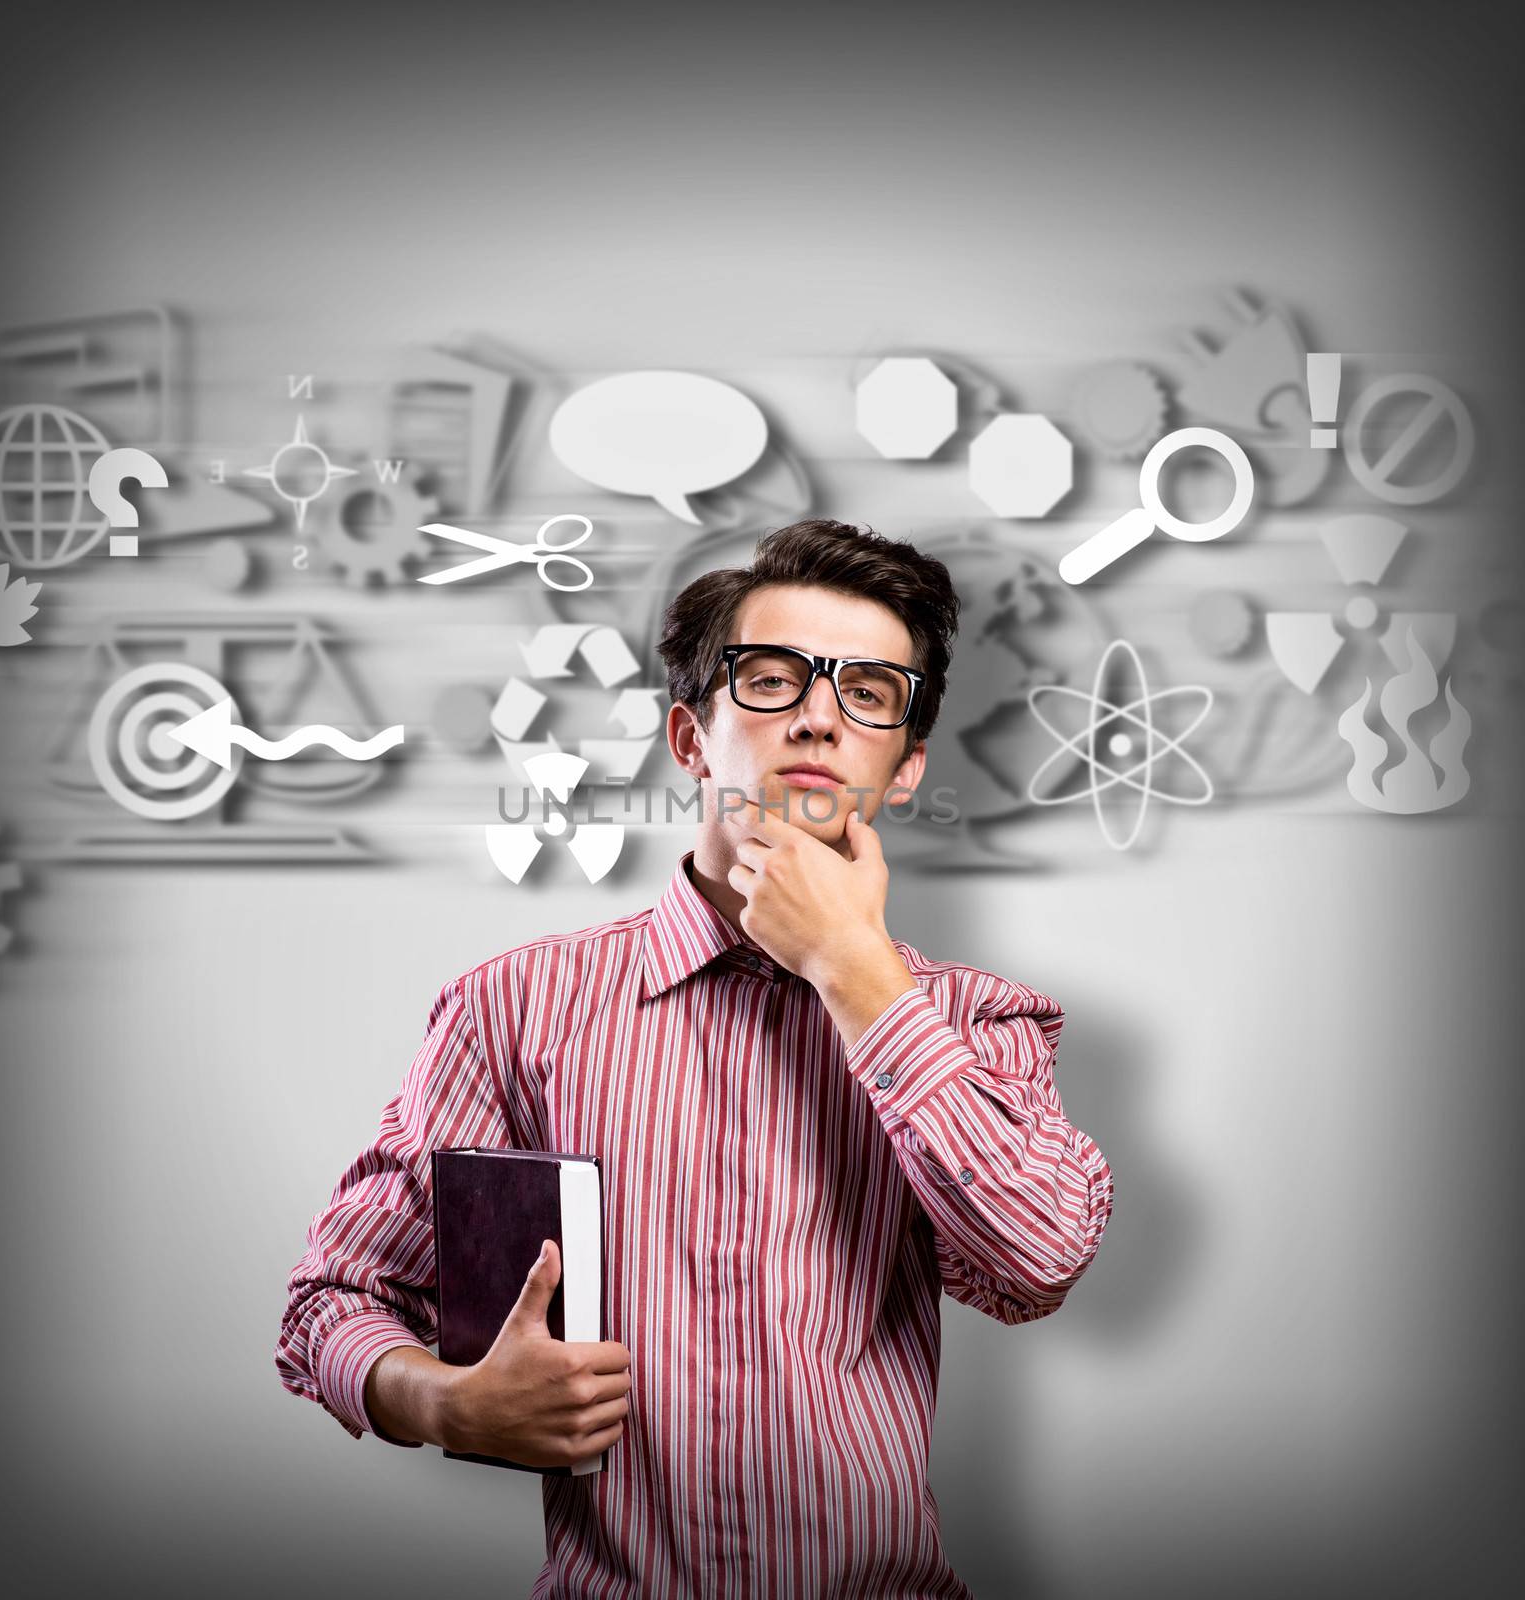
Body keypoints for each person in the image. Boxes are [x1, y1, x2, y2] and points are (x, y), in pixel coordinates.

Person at [275, 519, 1113, 1598]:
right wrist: (442, 1401)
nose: (818, 713)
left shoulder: (973, 1019)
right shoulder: (515, 1008)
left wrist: (854, 970)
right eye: (771, 679)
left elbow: (1034, 1262)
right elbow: (332, 1297)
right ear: (688, 737)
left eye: (867, 692)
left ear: (904, 769)